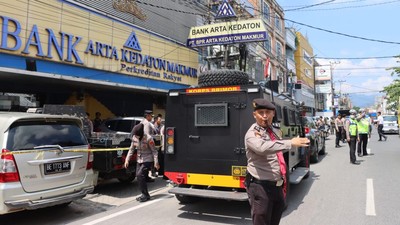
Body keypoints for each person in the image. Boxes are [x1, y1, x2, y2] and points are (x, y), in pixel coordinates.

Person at [244, 98, 310, 225]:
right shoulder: (252, 133)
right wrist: (290, 143)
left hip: (277, 185)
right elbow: (262, 148)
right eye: (261, 112)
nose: (265, 116)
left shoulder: (273, 130)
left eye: (268, 112)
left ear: (273, 113)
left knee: (275, 220)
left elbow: (277, 149)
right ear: (254, 115)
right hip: (260, 186)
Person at [124, 123, 159, 202]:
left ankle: (145, 195)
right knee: (138, 176)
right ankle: (144, 194)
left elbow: (154, 151)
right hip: (139, 159)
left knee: (140, 174)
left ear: (141, 134)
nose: (135, 136)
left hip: (147, 159)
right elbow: (131, 149)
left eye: (137, 135)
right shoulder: (134, 138)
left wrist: (156, 162)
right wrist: (127, 159)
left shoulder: (149, 138)